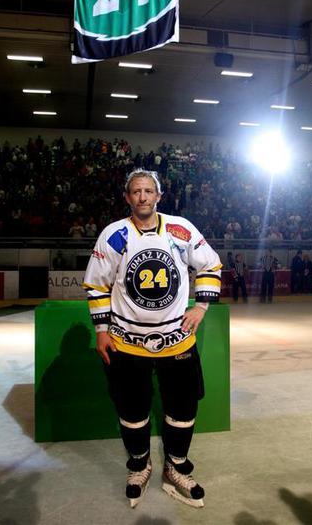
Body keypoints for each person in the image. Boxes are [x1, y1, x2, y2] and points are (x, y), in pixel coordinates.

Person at [83, 169, 222, 509]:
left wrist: (201, 307)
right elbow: (97, 284)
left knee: (183, 409)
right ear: (127, 197)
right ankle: (139, 466)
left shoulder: (180, 229)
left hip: (177, 341)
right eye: (136, 191)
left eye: (148, 191)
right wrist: (101, 331)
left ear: (159, 196)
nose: (142, 197)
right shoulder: (114, 235)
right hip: (127, 342)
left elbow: (211, 265)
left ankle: (176, 467)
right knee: (132, 410)